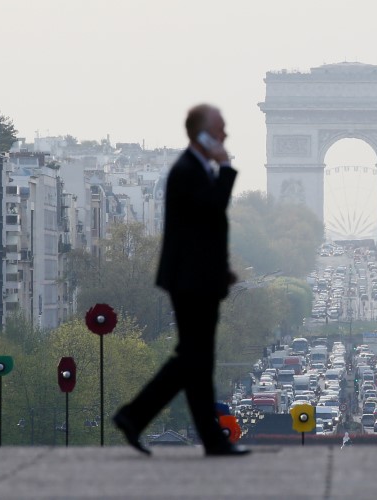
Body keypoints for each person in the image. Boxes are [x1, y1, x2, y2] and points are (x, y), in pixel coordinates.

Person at [113, 104, 250, 457]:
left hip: (197, 278)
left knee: (195, 362)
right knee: (193, 360)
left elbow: (201, 231)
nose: (226, 136)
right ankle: (136, 416)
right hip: (191, 282)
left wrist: (222, 270)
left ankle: (204, 437)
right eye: (220, 130)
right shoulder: (188, 171)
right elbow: (213, 209)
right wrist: (228, 167)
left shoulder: (194, 169)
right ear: (202, 134)